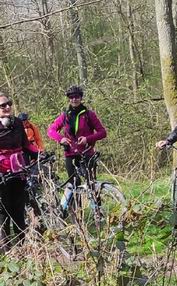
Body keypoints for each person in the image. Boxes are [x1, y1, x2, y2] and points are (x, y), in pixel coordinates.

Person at [0, 93, 41, 245]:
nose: (7, 107)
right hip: (2, 173)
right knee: (4, 211)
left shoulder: (17, 122)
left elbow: (26, 145)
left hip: (18, 170)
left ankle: (21, 246)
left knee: (18, 209)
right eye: (3, 105)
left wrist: (39, 154)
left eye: (8, 103)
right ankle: (6, 249)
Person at [47, 85, 107, 184]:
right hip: (70, 154)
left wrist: (87, 139)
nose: (74, 99)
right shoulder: (65, 116)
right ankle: (71, 199)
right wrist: (61, 139)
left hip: (87, 154)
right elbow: (50, 131)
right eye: (71, 97)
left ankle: (94, 199)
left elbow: (102, 132)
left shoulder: (89, 114)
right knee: (74, 185)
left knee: (92, 185)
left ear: (81, 98)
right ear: (69, 99)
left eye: (77, 97)